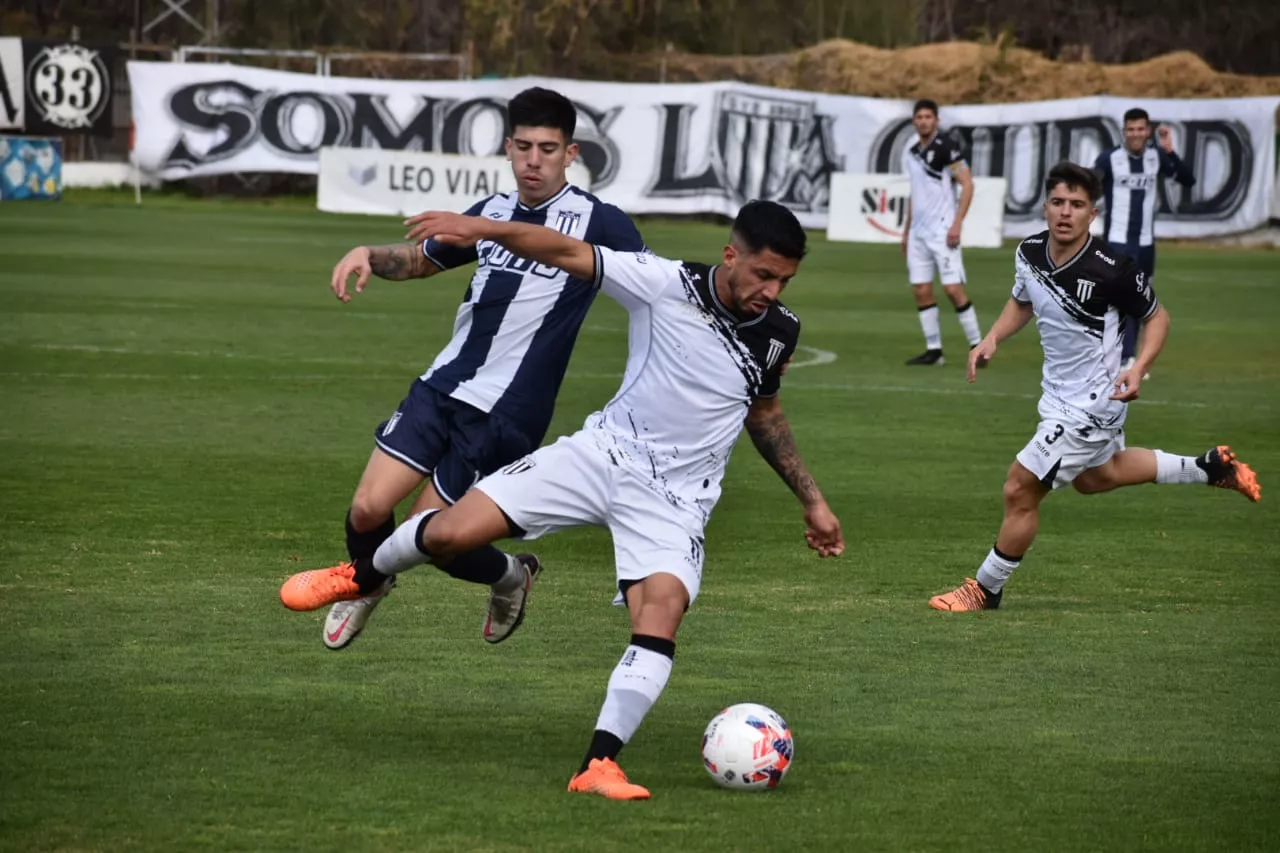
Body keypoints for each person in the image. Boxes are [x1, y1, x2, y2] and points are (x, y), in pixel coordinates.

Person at [280, 200, 845, 799]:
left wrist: (812, 499)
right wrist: (481, 228)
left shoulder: (779, 332)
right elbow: (564, 249)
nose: (771, 291)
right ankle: (360, 575)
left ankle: (598, 765)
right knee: (445, 533)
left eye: (784, 281)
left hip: (675, 501)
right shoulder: (664, 283)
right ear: (732, 256)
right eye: (764, 274)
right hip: (599, 457)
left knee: (662, 611)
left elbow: (765, 412)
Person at [318, 86, 646, 650]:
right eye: (524, 147)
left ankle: (512, 576)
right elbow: (421, 260)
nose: (534, 160)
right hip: (443, 384)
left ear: (571, 154)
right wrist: (367, 253)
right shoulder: (490, 211)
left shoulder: (601, 223)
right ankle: (368, 587)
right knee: (368, 508)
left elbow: (659, 288)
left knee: (429, 538)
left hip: (507, 411)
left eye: (548, 149)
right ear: (508, 147)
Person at [928, 162, 1260, 613]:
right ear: (1045, 207)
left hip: (1092, 404)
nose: (1066, 212)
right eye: (1058, 202)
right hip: (1057, 396)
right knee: (1095, 477)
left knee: (1020, 488)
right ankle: (1208, 468)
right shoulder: (1029, 252)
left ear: (1093, 214)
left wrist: (1139, 368)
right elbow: (1023, 300)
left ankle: (985, 589)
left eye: (1077, 205)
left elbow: (1157, 318)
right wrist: (993, 337)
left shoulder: (1113, 270)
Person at [1092, 107, 1196, 374]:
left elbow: (1188, 179)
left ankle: (1128, 358)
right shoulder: (1109, 159)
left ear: (1148, 131)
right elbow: (1090, 188)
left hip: (1146, 244)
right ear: (1124, 131)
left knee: (1140, 300)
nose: (1136, 134)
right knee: (1116, 300)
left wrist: (1170, 151)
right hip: (1116, 242)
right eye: (1131, 129)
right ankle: (1119, 356)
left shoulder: (1156, 156)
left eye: (1140, 129)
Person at [900, 98, 984, 366]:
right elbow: (915, 193)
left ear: (936, 121)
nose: (924, 121)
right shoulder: (912, 152)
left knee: (952, 289)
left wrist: (957, 223)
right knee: (921, 289)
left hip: (942, 230)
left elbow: (967, 184)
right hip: (918, 232)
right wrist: (906, 231)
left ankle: (978, 346)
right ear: (914, 121)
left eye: (928, 117)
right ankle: (934, 350)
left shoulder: (948, 148)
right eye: (919, 117)